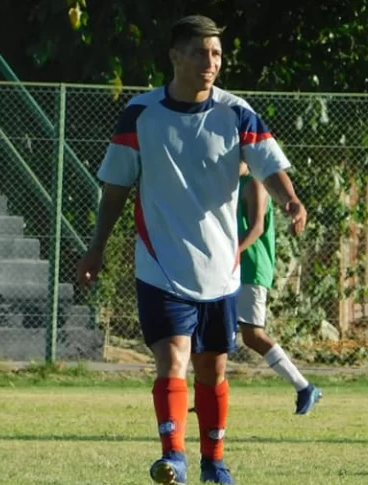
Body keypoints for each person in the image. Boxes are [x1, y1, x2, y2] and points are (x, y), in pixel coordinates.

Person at [77, 14, 307, 485]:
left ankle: (214, 462)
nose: (211, 62)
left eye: (217, 54)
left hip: (220, 268)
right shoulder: (140, 115)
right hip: (160, 263)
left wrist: (291, 200)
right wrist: (96, 247)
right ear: (175, 56)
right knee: (173, 358)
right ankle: (173, 457)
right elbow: (116, 189)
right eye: (201, 52)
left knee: (213, 370)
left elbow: (267, 166)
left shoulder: (237, 113)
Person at [237, 161, 322, 415]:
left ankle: (304, 387)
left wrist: (231, 253)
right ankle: (208, 397)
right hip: (231, 269)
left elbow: (257, 227)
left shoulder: (253, 184)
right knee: (211, 332)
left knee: (253, 335)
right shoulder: (226, 186)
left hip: (250, 267)